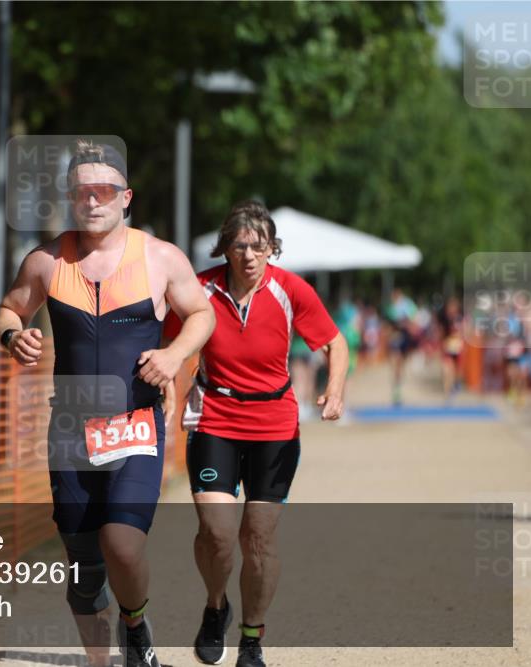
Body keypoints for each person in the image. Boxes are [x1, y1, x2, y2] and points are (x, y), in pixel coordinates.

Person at [0, 140, 216, 667]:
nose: (93, 201)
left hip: (135, 422)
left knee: (122, 541)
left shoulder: (160, 258)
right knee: (83, 568)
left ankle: (135, 624)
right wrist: (12, 337)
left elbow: (201, 314)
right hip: (70, 428)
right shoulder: (46, 262)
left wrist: (175, 354)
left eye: (104, 191)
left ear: (126, 197)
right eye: (82, 192)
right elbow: (9, 310)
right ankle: (101, 660)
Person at [164, 201, 348, 667]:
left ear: (273, 251)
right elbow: (168, 345)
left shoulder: (290, 289)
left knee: (260, 538)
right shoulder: (199, 288)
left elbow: (333, 342)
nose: (249, 255)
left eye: (259, 246)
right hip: (214, 419)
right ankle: (215, 606)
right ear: (226, 247)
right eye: (240, 245)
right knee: (217, 533)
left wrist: (335, 389)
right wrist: (169, 388)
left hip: (274, 426)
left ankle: (251, 639)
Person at [384, 287, 419, 406]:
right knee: (396, 363)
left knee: (400, 366)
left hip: (404, 338)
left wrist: (407, 324)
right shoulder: (390, 308)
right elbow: (387, 325)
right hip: (395, 338)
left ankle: (398, 387)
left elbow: (413, 320)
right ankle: (396, 390)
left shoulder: (407, 305)